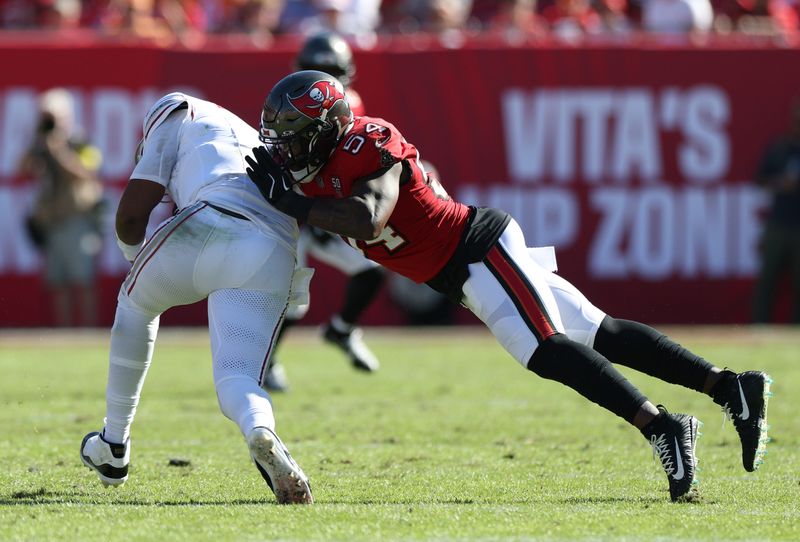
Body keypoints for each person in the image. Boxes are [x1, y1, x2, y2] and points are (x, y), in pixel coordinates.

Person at [246, 70, 773, 502]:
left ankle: (662, 428)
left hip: (475, 246)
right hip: (456, 269)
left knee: (544, 349)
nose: (285, 151)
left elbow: (370, 218)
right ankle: (730, 387)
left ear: (327, 128)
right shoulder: (302, 170)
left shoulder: (366, 140)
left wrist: (291, 203)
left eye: (293, 137)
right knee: (597, 332)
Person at [79, 92, 313, 505]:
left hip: (212, 219)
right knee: (237, 375)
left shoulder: (174, 112)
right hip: (274, 247)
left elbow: (131, 216)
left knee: (136, 304)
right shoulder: (251, 137)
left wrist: (139, 264)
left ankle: (113, 443)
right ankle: (260, 428)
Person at [264, 31, 383, 392]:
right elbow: (279, 157)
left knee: (372, 269)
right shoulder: (285, 103)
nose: (319, 82)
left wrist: (326, 210)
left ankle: (341, 330)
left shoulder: (352, 103)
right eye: (315, 69)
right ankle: (266, 362)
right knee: (294, 303)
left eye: (328, 70)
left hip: (324, 206)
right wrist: (305, 209)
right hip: (291, 210)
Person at [20, 88, 104, 327]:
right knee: (58, 282)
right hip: (52, 220)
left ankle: (87, 331)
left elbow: (87, 172)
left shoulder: (80, 142)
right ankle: (64, 332)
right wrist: (38, 143)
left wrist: (58, 150)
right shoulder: (40, 145)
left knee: (83, 279)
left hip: (78, 218)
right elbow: (21, 168)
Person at [752, 98, 800, 324]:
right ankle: (759, 328)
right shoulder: (780, 147)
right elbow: (759, 180)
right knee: (768, 280)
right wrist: (782, 184)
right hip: (779, 223)